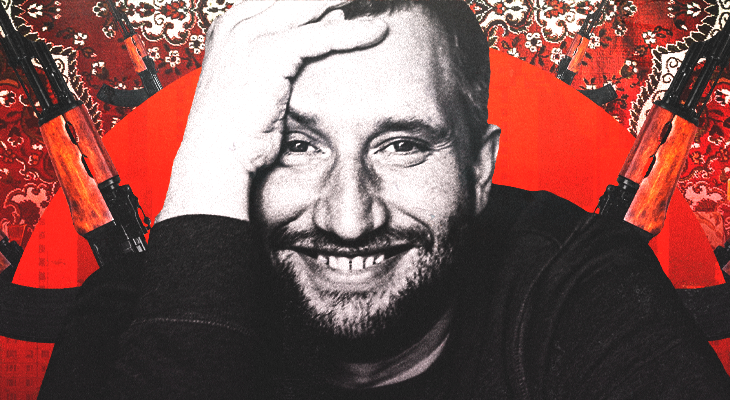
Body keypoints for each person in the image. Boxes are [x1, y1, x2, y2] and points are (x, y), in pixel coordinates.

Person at [38, 1, 730, 398]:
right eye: (296, 145)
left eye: (402, 145)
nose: (348, 219)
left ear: (480, 169)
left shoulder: (577, 281)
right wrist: (206, 166)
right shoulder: (140, 307)